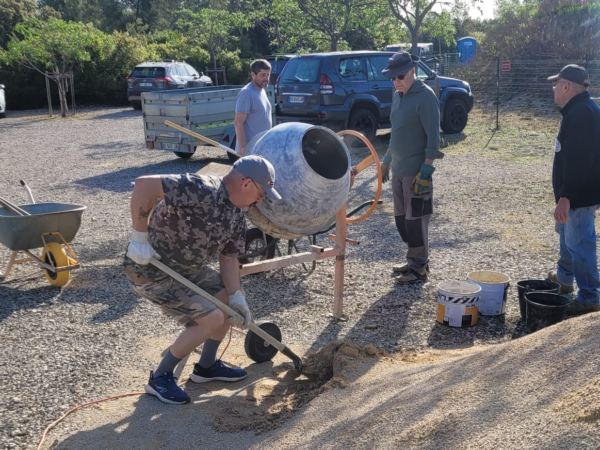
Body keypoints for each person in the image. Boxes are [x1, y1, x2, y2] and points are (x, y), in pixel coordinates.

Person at [123, 155, 281, 405]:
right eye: (261, 193)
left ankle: (206, 367)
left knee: (226, 300)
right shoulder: (202, 189)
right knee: (213, 317)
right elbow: (145, 185)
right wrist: (139, 238)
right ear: (246, 183)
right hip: (151, 269)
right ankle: (161, 377)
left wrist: (237, 297)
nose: (260, 200)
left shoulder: (237, 214)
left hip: (187, 270)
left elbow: (229, 258)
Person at [380, 51, 444, 285]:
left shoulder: (425, 97)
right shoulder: (398, 96)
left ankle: (419, 268)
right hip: (398, 168)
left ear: (413, 71)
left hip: (416, 172)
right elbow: (396, 132)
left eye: (400, 76)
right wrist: (386, 160)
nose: (396, 81)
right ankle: (414, 259)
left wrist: (426, 171)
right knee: (402, 220)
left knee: (416, 220)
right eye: (392, 77)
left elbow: (433, 139)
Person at [546, 64, 600, 315]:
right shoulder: (583, 109)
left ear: (566, 86)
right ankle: (565, 278)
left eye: (555, 84)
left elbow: (580, 161)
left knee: (579, 243)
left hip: (579, 194)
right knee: (566, 235)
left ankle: (589, 297)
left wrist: (566, 196)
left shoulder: (581, 115)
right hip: (579, 191)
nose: (553, 89)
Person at [234, 59, 272, 154]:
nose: (266, 78)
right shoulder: (246, 93)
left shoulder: (262, 91)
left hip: (261, 148)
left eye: (268, 74)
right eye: (263, 75)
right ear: (253, 75)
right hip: (250, 151)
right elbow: (238, 122)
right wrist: (244, 148)